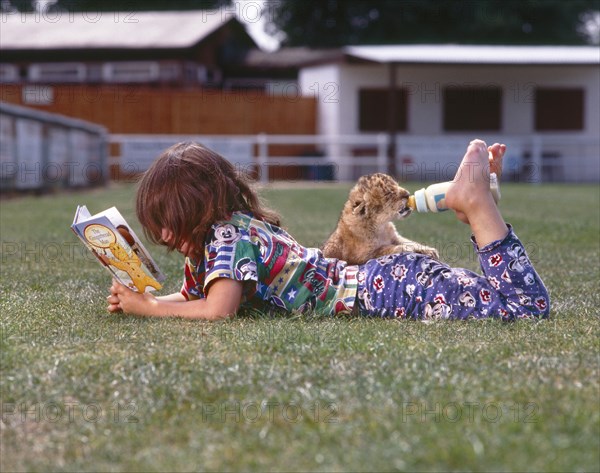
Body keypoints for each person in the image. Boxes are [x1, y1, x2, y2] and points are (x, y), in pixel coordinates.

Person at [107, 140, 550, 321]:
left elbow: (216, 311)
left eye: (171, 222)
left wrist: (148, 308)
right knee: (503, 300)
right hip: (388, 278)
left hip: (382, 289)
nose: (164, 236)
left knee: (525, 309)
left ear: (202, 209)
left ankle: (475, 203)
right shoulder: (231, 234)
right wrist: (141, 299)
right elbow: (196, 297)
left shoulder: (227, 238)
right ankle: (471, 200)